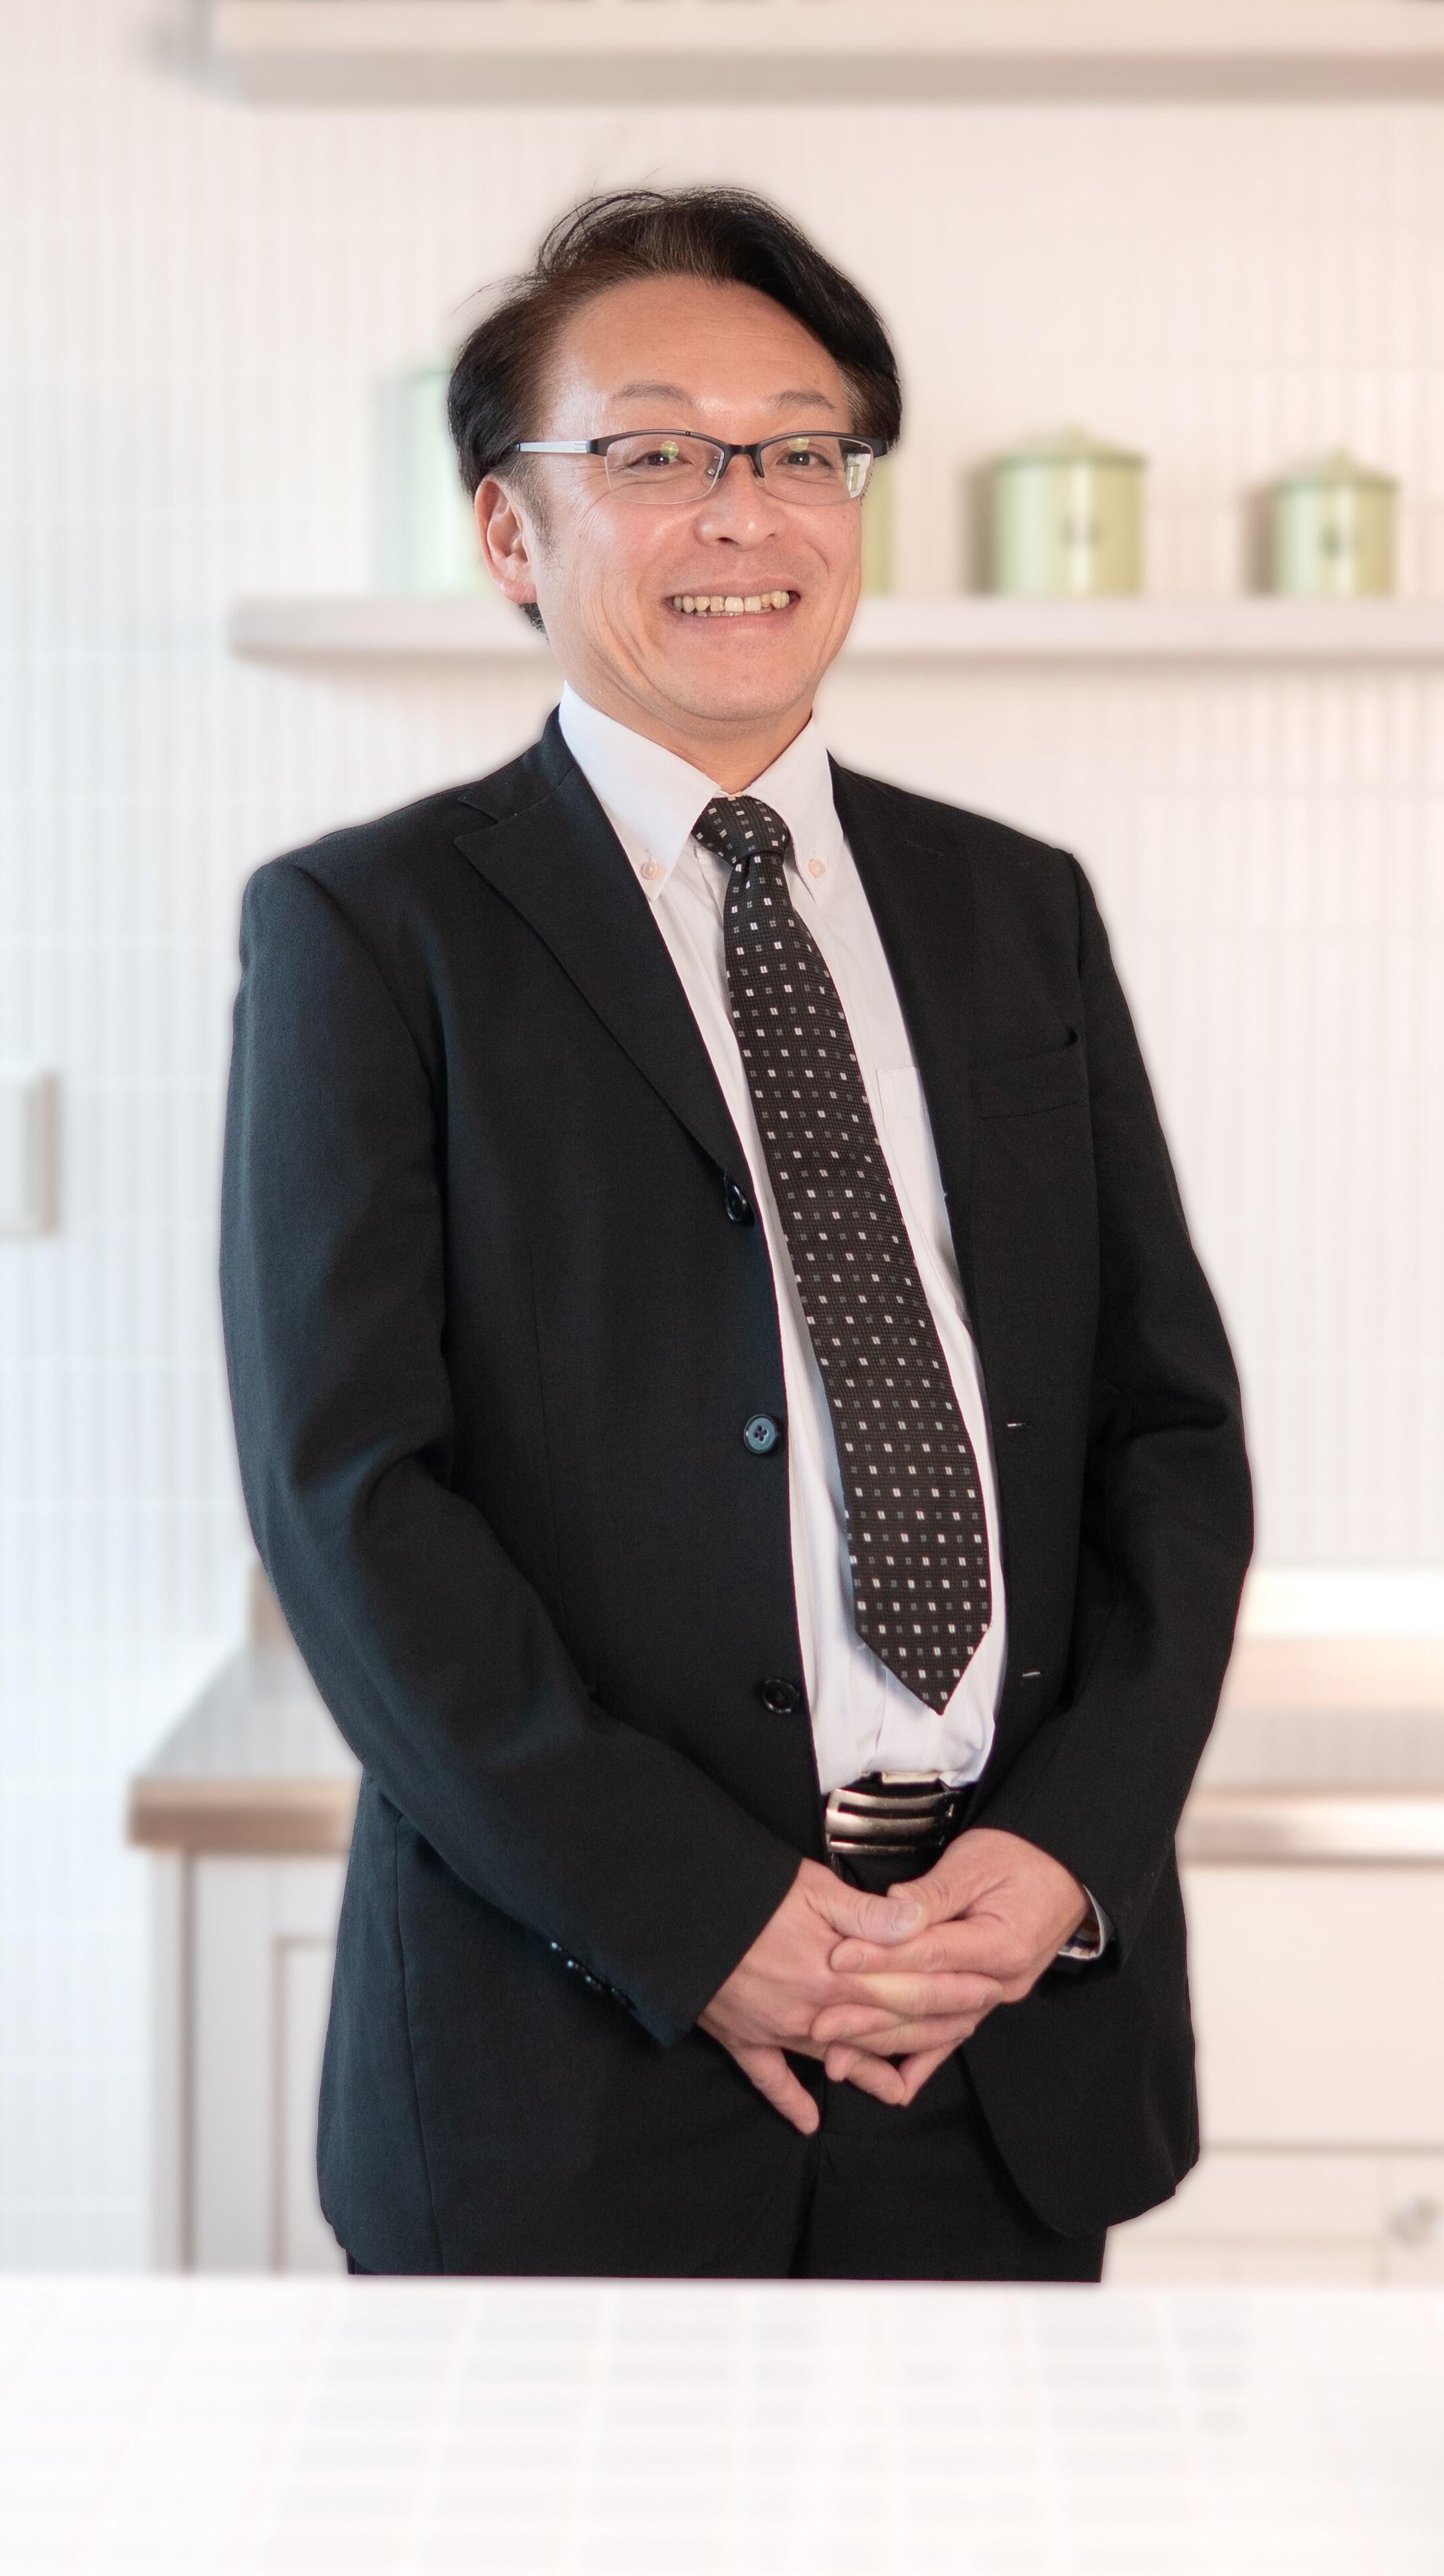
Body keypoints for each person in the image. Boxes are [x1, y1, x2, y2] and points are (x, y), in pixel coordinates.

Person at [220, 186, 1252, 2280]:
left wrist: (1069, 1851)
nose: (743, 510)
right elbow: (353, 1502)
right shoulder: (374, 932)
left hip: (997, 2037)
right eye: (656, 451)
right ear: (510, 532)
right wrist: (697, 1917)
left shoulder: (1017, 910)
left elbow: (1168, 1438)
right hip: (579, 2053)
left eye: (800, 450)